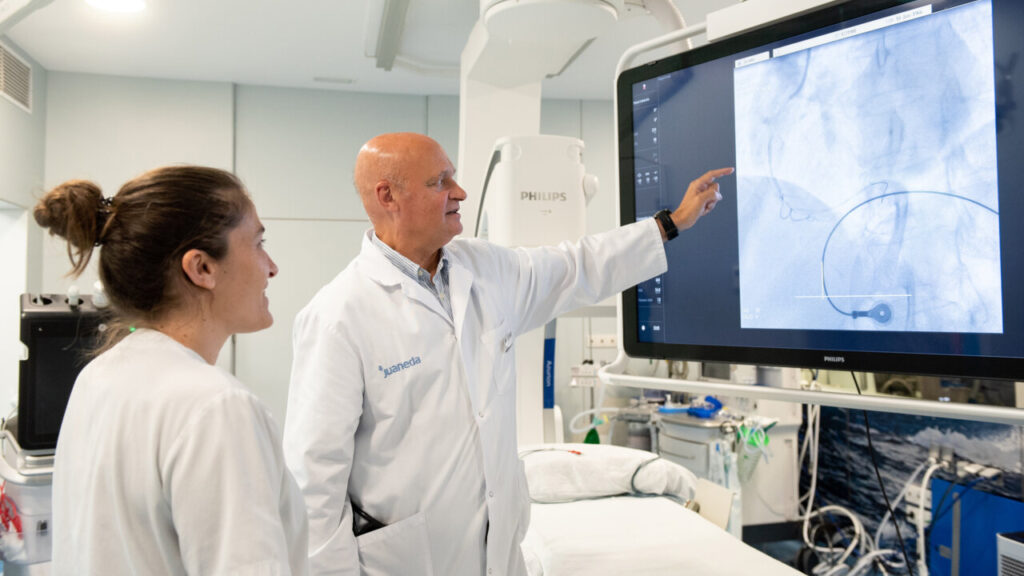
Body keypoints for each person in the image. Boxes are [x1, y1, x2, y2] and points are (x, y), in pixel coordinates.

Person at [283, 132, 732, 576]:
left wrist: (670, 223)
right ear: (388, 197)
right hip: (406, 563)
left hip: (499, 553)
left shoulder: (485, 269)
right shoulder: (338, 317)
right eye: (440, 182)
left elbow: (577, 265)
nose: (460, 192)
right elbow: (314, 480)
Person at [38, 166, 309, 575]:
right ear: (201, 268)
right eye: (258, 243)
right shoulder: (218, 408)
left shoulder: (99, 376)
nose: (271, 267)